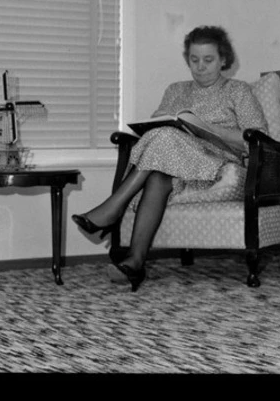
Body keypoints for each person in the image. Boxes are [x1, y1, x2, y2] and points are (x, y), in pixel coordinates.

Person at [72, 25, 267, 291]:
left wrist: (211, 129)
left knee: (163, 139)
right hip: (176, 169)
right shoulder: (176, 90)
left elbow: (257, 138)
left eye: (208, 60)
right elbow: (157, 124)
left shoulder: (238, 91)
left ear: (223, 59)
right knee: (158, 173)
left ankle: (113, 207)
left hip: (219, 167)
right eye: (194, 60)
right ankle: (135, 263)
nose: (200, 67)